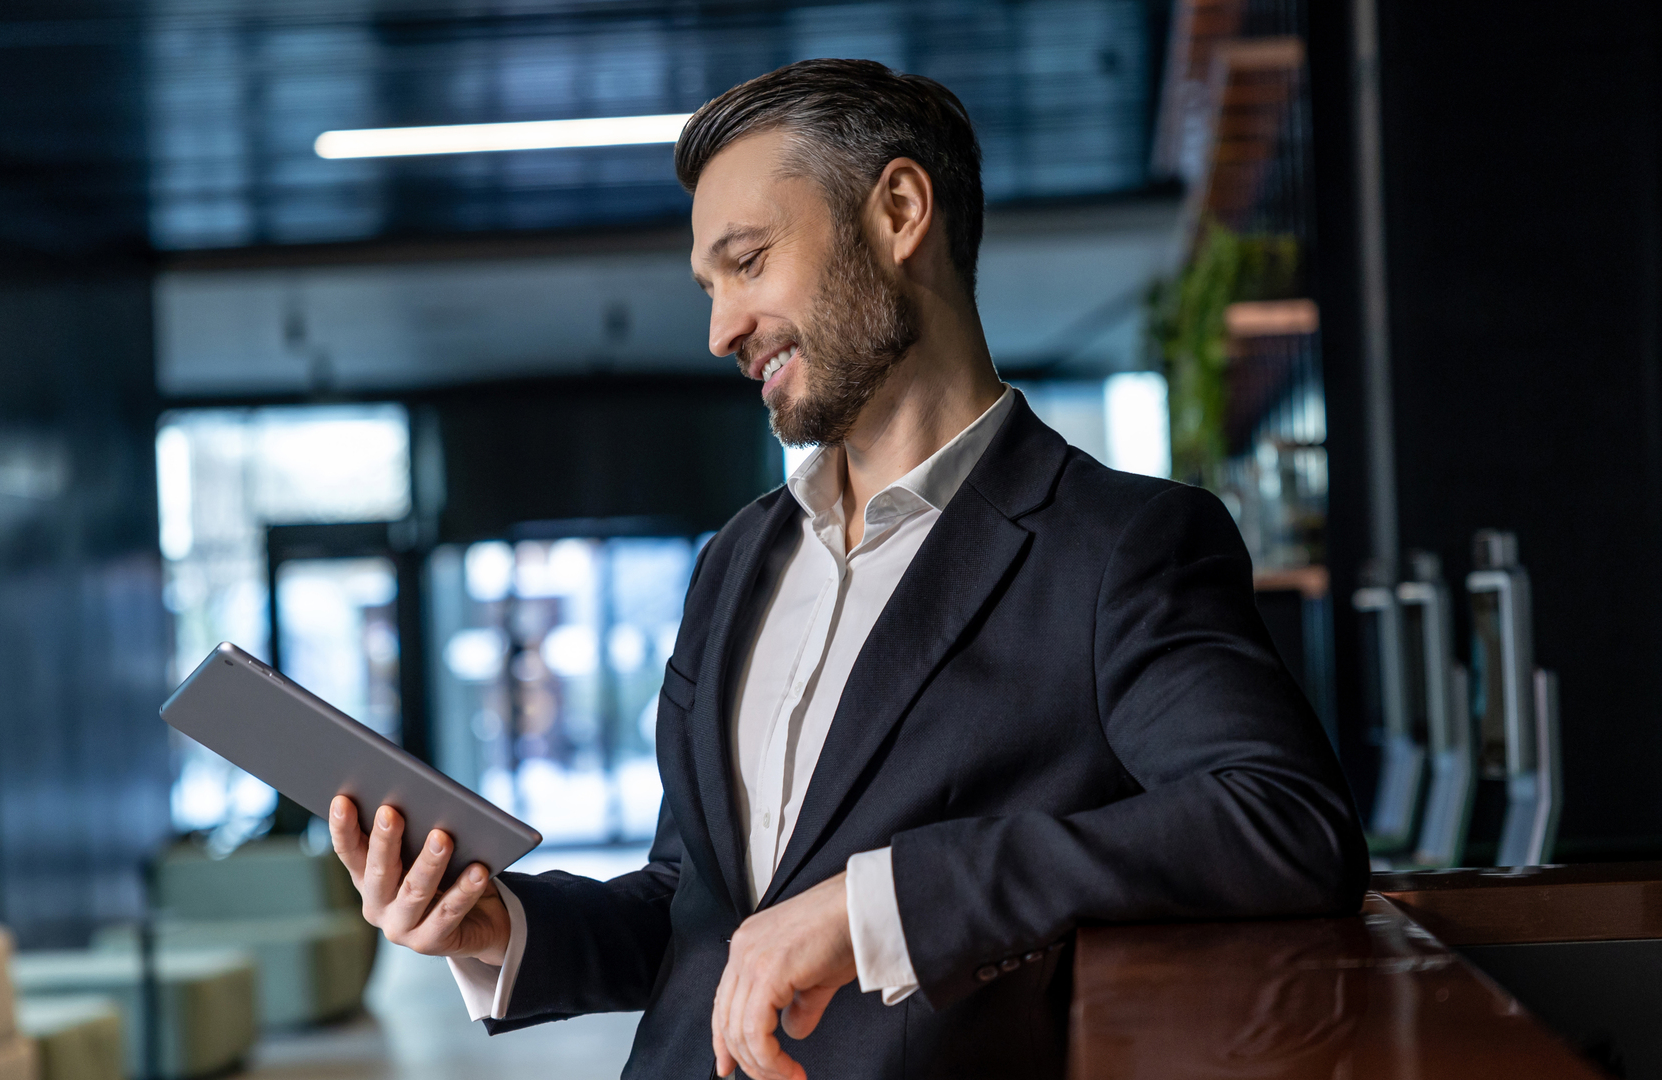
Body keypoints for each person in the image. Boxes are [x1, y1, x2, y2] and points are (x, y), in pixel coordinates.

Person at [328, 58, 1367, 1080]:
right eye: (709, 287)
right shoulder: (735, 561)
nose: (720, 330)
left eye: (748, 262)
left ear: (900, 212)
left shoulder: (1119, 545)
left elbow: (1283, 821)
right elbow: (697, 905)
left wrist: (886, 905)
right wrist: (503, 924)